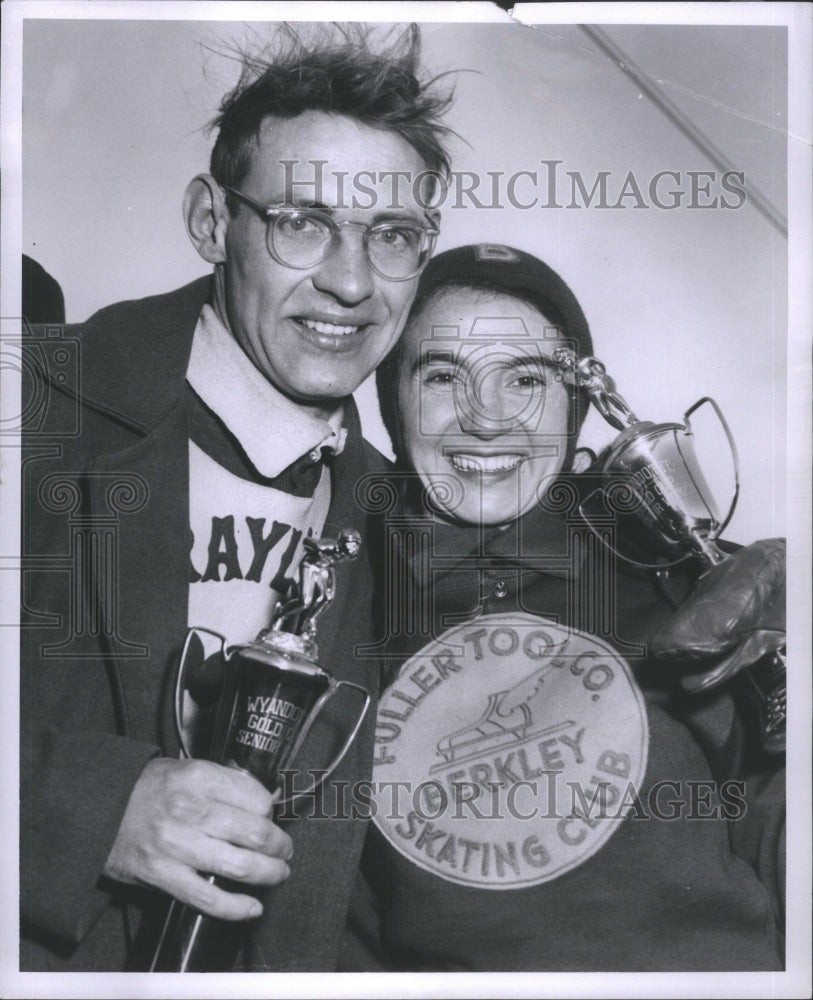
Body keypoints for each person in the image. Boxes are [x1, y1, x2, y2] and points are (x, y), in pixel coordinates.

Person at [20, 25, 453, 972]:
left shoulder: (408, 531)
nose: (349, 283)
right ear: (212, 222)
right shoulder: (31, 402)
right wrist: (85, 809)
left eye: (392, 237)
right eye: (303, 222)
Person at [339, 244, 785, 971]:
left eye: (525, 379)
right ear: (392, 399)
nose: (487, 419)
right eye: (443, 376)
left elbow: (777, 813)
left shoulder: (674, 570)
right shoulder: (335, 592)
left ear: (577, 403)